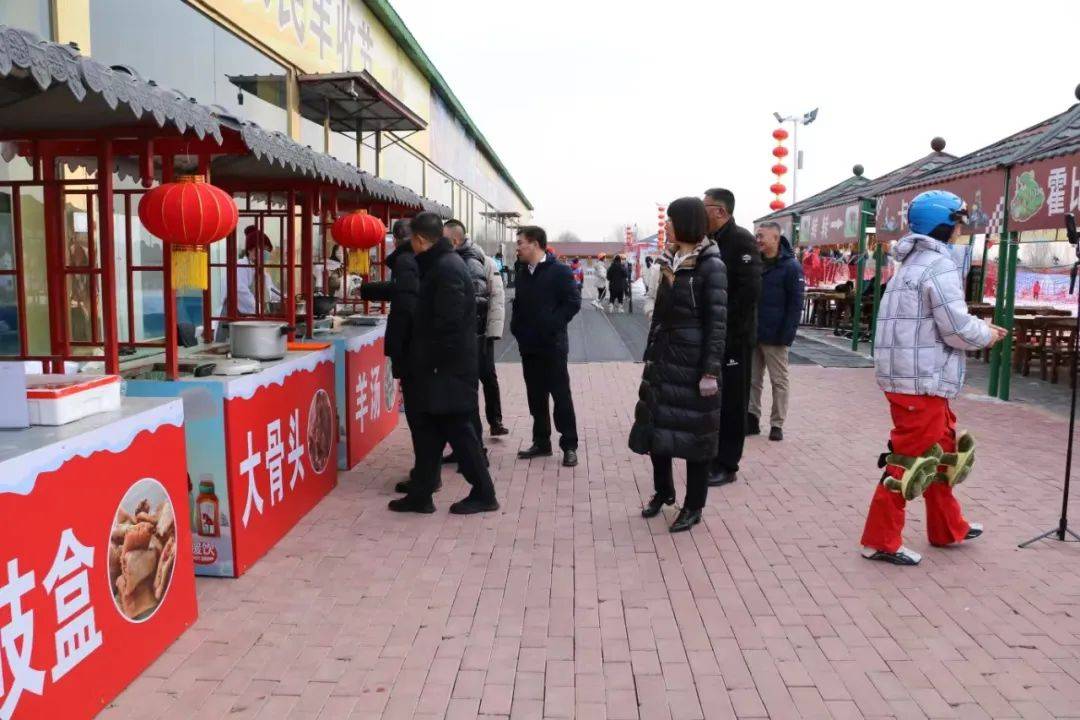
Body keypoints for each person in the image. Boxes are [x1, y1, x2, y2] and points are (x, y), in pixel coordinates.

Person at [861, 190, 1006, 565]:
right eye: (957, 222)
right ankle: (881, 540)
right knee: (910, 460)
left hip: (915, 377)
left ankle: (948, 526)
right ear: (944, 224)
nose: (960, 229)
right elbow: (955, 327)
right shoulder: (937, 266)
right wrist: (986, 333)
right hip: (921, 381)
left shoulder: (910, 264)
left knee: (941, 452)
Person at [388, 212, 499, 515]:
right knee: (427, 432)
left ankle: (483, 492)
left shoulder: (447, 269)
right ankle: (421, 494)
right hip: (437, 368)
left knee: (459, 431)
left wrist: (432, 364)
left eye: (411, 239)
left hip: (446, 370)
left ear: (420, 239)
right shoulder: (440, 265)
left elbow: (447, 325)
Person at [629, 198, 727, 533]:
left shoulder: (710, 264)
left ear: (685, 222)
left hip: (693, 359)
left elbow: (717, 322)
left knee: (695, 436)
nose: (666, 225)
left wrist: (710, 370)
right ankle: (663, 492)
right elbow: (659, 310)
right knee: (657, 428)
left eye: (671, 220)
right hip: (664, 355)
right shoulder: (669, 259)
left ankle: (694, 505)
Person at [703, 188, 762, 487]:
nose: (702, 212)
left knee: (733, 403)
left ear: (720, 211)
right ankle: (714, 456)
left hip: (735, 337)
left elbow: (747, 293)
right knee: (716, 400)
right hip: (717, 335)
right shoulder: (711, 242)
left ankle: (728, 464)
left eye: (706, 207)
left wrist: (726, 331)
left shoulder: (741, 240)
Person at [510, 225, 582, 467]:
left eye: (520, 242)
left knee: (561, 396)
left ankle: (569, 445)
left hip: (553, 346)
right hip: (529, 346)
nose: (517, 247)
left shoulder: (559, 271)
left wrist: (552, 324)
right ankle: (541, 442)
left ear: (535, 243)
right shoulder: (522, 272)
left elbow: (572, 302)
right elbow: (519, 304)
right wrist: (516, 328)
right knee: (535, 396)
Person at [359, 220, 422, 492]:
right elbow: (401, 293)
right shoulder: (412, 260)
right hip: (417, 349)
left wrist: (401, 345)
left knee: (421, 417)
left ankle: (425, 475)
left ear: (396, 239)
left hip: (413, 350)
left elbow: (406, 303)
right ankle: (427, 472)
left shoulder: (405, 262)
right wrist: (368, 290)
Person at [749, 222, 804, 442]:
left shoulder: (791, 267)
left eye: (762, 236)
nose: (758, 240)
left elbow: (796, 304)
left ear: (776, 238)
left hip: (777, 336)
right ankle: (751, 418)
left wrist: (787, 335)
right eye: (757, 236)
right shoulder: (754, 263)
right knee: (752, 380)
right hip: (754, 333)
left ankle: (777, 424)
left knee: (778, 381)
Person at [216, 226, 282, 341]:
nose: (265, 253)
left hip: (252, 320)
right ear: (250, 250)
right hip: (234, 319)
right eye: (262, 249)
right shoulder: (240, 266)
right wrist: (260, 310)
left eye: (267, 250)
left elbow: (272, 291)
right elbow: (242, 293)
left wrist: (286, 299)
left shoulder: (262, 273)